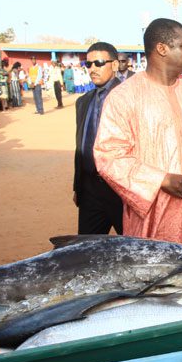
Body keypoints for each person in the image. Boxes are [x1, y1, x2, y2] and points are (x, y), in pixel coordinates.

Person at [93, 18, 182, 245]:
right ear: (162, 49)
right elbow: (109, 156)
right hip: (153, 218)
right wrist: (161, 180)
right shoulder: (124, 97)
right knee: (158, 267)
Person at [73, 42, 124, 235]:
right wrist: (78, 187)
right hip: (90, 191)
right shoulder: (83, 101)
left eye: (99, 63)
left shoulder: (130, 97)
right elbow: (81, 146)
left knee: (132, 247)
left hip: (121, 189)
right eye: (88, 64)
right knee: (86, 248)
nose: (93, 68)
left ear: (115, 64)